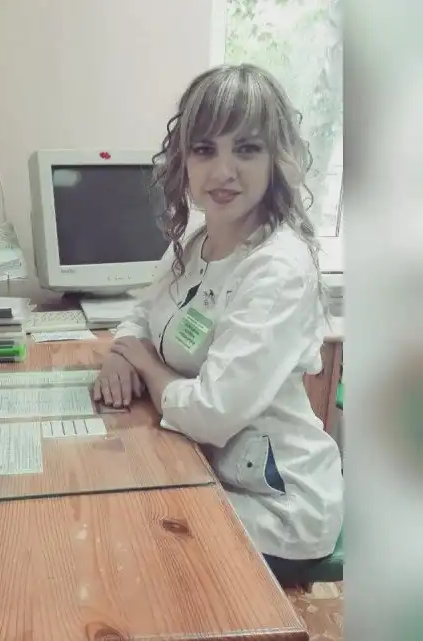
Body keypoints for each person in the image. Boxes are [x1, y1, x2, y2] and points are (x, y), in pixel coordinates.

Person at [93, 64, 343, 585]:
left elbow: (210, 413)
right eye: (205, 149)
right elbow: (141, 312)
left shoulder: (278, 268)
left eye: (246, 149)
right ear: (184, 160)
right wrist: (121, 351)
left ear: (276, 160)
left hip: (277, 507)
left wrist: (145, 364)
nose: (223, 170)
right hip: (203, 467)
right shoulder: (193, 243)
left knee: (118, 544)